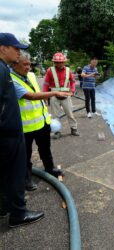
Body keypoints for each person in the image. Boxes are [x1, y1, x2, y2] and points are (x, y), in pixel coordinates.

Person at [0, 32, 44, 227]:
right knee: (15, 174)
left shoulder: (3, 68)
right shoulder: (2, 71)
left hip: (7, 134)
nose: (19, 52)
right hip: (8, 135)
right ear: (3, 48)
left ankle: (4, 208)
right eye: (16, 48)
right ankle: (18, 214)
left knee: (4, 174)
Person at [11, 51, 67, 191]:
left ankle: (50, 169)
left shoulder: (30, 75)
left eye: (29, 64)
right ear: (15, 64)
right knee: (25, 155)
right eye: (25, 64)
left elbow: (38, 92)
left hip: (41, 122)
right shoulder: (10, 79)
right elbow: (31, 96)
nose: (28, 67)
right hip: (25, 126)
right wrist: (54, 93)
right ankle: (26, 179)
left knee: (45, 149)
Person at [43, 52, 80, 138]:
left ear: (64, 62)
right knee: (55, 116)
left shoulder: (68, 70)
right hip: (54, 97)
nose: (59, 64)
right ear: (54, 62)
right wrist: (44, 95)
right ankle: (57, 131)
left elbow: (73, 81)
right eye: (57, 62)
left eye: (61, 62)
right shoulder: (50, 71)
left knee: (70, 114)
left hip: (66, 96)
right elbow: (46, 84)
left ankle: (74, 129)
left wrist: (73, 90)